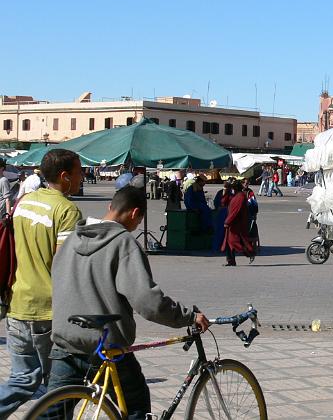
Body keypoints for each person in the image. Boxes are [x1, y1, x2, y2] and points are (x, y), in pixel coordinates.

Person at [46, 186, 210, 419]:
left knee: (50, 414)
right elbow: (148, 302)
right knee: (136, 407)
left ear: (110, 206)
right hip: (106, 347)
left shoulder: (72, 238)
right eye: (138, 220)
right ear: (135, 214)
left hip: (65, 342)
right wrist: (188, 317)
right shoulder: (124, 243)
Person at [0, 149, 83, 418]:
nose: (82, 177)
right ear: (64, 176)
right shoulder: (67, 210)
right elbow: (64, 265)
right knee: (60, 387)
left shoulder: (24, 202)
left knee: (23, 379)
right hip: (47, 311)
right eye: (79, 172)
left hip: (17, 303)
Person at [222, 181, 255, 266]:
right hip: (233, 223)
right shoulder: (234, 196)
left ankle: (249, 252)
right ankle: (230, 261)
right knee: (229, 242)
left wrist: (227, 221)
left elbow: (235, 211)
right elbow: (223, 203)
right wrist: (226, 192)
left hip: (237, 224)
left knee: (234, 241)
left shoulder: (240, 197)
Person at [243, 178, 260, 254]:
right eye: (245, 183)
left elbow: (254, 203)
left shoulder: (250, 192)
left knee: (250, 229)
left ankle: (249, 246)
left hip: (249, 214)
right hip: (241, 214)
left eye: (247, 183)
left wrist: (255, 214)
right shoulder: (239, 191)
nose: (246, 185)